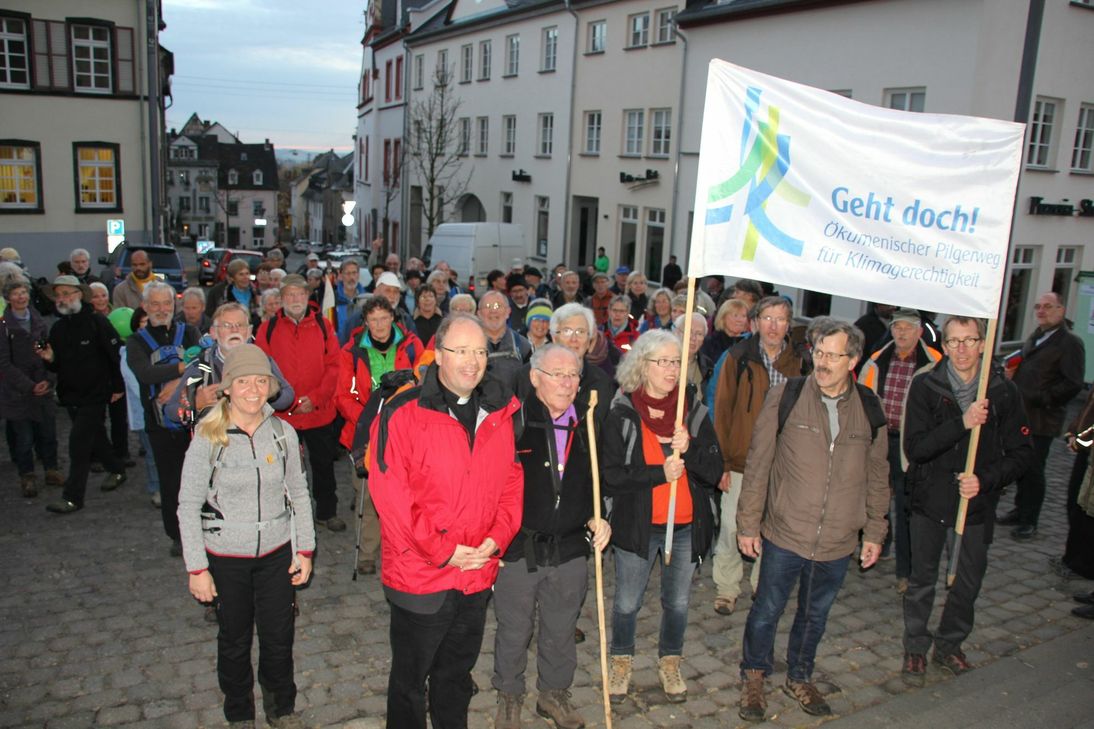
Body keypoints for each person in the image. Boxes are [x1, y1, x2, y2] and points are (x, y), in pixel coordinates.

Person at [367, 314, 524, 729]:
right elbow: (393, 498)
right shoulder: (403, 411)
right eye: (461, 351)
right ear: (438, 355)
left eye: (479, 351)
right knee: (409, 681)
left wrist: (497, 538)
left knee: (455, 677)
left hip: (476, 572)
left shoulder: (499, 410)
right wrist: (445, 551)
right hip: (421, 575)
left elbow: (511, 481)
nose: (471, 361)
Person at [736, 317, 889, 721]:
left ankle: (799, 674)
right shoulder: (786, 395)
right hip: (786, 531)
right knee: (767, 608)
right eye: (817, 353)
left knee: (814, 614)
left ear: (852, 360)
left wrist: (875, 530)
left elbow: (878, 475)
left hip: (838, 538)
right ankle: (755, 675)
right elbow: (759, 463)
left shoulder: (870, 407)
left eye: (832, 356)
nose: (821, 363)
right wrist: (748, 523)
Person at [178, 344, 315, 729]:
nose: (253, 390)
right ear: (228, 387)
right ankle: (239, 713)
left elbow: (299, 492)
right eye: (243, 382)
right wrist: (197, 568)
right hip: (226, 557)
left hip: (275, 553)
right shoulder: (208, 434)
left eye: (260, 381)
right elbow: (187, 503)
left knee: (278, 638)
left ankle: (280, 708)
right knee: (234, 641)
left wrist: (304, 550)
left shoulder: (282, 432)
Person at [900, 316, 1033, 684]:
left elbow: (1022, 454)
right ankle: (915, 646)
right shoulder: (927, 386)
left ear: (982, 344)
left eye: (969, 340)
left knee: (967, 581)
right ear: (943, 345)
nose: (961, 349)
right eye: (953, 341)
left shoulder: (1002, 391)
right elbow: (917, 448)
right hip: (929, 501)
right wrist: (962, 421)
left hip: (975, 505)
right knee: (921, 580)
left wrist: (984, 480)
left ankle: (949, 644)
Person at [492, 344, 611, 729]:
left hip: (572, 548)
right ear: (534, 377)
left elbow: (598, 481)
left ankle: (553, 694)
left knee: (561, 629)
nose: (566, 382)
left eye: (573, 374)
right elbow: (490, 486)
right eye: (556, 374)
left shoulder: (589, 424)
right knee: (514, 629)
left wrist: (601, 516)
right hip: (518, 548)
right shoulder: (513, 422)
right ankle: (509, 696)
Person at [601, 330, 722, 704]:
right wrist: (659, 474)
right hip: (637, 526)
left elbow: (714, 470)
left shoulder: (693, 411)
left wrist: (692, 449)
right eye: (663, 362)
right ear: (643, 364)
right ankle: (621, 661)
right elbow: (610, 475)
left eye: (676, 362)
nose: (671, 369)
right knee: (626, 603)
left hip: (685, 525)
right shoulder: (622, 411)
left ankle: (670, 661)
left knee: (678, 602)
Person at [710, 296, 804, 616]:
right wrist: (721, 463)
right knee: (732, 524)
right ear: (755, 322)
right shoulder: (738, 357)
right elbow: (721, 412)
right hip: (741, 459)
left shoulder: (799, 362)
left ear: (788, 324)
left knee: (772, 525)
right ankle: (726, 586)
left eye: (780, 319)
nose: (773, 326)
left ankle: (762, 583)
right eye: (767, 318)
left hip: (783, 460)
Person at [335, 296, 424, 575]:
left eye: (384, 318)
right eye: (373, 319)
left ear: (393, 319)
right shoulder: (352, 351)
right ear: (365, 322)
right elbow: (343, 395)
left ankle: (403, 547)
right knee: (368, 492)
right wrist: (367, 420)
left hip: (405, 432)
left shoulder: (411, 346)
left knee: (405, 494)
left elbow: (422, 383)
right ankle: (367, 552)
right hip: (364, 431)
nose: (379, 325)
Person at [859, 309, 942, 593]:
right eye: (898, 327)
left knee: (906, 506)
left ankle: (906, 571)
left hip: (912, 443)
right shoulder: (876, 360)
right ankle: (879, 543)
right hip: (879, 438)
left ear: (920, 332)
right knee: (874, 497)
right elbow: (861, 398)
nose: (902, 333)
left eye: (908, 328)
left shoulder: (933, 363)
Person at [256, 275, 344, 533]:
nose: (295, 300)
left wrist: (315, 399)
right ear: (282, 299)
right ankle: (284, 514)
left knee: (323, 465)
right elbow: (263, 368)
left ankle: (327, 512)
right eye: (290, 295)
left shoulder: (323, 325)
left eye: (300, 294)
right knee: (281, 467)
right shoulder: (268, 328)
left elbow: (334, 366)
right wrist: (283, 400)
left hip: (318, 412)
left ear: (308, 297)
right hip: (283, 414)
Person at [999, 292, 1085, 540]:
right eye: (1038, 306)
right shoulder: (1037, 336)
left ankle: (1030, 519)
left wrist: (1042, 397)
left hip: (1043, 418)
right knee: (1021, 465)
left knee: (1034, 468)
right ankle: (1019, 509)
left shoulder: (1070, 342)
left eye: (1048, 306)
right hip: (1022, 415)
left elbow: (1073, 383)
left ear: (1061, 309)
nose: (1041, 311)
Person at [39, 275, 127, 513]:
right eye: (59, 295)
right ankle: (117, 469)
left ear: (79, 295)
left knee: (78, 444)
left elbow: (115, 355)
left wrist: (118, 387)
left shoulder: (97, 322)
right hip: (71, 396)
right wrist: (49, 360)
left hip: (96, 394)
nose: (62, 299)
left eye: (67, 293)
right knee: (96, 437)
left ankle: (72, 497)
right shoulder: (57, 328)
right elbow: (57, 366)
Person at [126, 281, 202, 555]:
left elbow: (205, 363)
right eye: (155, 304)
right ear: (145, 306)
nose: (161, 309)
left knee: (199, 479)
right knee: (171, 483)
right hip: (159, 425)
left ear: (174, 305)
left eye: (166, 303)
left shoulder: (189, 331)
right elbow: (145, 374)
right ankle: (178, 535)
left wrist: (175, 384)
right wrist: (183, 368)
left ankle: (204, 530)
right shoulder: (136, 341)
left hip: (194, 421)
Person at [0, 279, 60, 496]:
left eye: (23, 292)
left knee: (48, 434)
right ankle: (27, 476)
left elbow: (49, 353)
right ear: (8, 298)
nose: (21, 297)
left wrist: (48, 380)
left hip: (42, 387)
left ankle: (51, 469)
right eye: (16, 293)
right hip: (18, 392)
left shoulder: (39, 321)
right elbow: (4, 363)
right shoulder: (4, 326)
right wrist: (29, 385)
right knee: (23, 439)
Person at [1056, 388, 1094, 586]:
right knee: (1078, 504)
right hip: (1087, 451)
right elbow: (1088, 408)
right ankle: (1074, 558)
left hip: (1088, 448)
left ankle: (1084, 564)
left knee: (1088, 511)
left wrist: (1081, 441)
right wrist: (1074, 432)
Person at [479, 290, 532, 392]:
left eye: (498, 306)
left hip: (513, 406)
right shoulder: (469, 346)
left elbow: (527, 387)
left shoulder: (523, 346)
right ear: (479, 314)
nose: (493, 311)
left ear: (508, 312)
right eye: (488, 306)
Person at [207, 259, 261, 327]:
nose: (245, 277)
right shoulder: (224, 295)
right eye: (241, 274)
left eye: (247, 274)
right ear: (232, 278)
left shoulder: (256, 292)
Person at [700, 298, 750, 365]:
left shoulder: (751, 342)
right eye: (735, 315)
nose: (740, 320)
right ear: (723, 317)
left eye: (743, 316)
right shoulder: (708, 343)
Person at [853, 302, 896, 372]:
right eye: (888, 305)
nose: (893, 307)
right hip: (868, 368)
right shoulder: (863, 324)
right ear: (878, 305)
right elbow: (855, 350)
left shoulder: (895, 323)